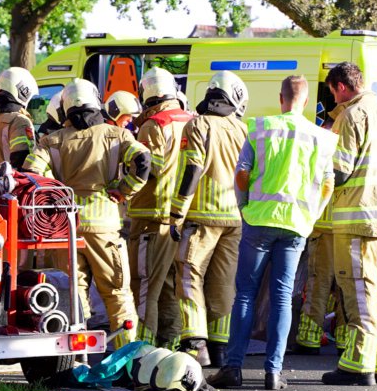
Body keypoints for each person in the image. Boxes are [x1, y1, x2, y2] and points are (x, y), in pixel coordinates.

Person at [210, 74, 335, 390]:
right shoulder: (320, 137)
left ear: (281, 99)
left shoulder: (260, 128)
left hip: (259, 222)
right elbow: (328, 184)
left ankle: (233, 368)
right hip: (296, 225)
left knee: (246, 294)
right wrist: (311, 216)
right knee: (281, 296)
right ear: (305, 102)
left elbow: (241, 174)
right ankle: (273, 373)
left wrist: (245, 206)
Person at [24, 79, 150, 348]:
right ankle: (125, 359)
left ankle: (78, 356)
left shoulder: (51, 140)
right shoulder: (117, 134)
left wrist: (55, 199)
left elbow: (31, 176)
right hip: (104, 226)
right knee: (117, 293)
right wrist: (123, 190)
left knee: (73, 294)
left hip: (66, 227)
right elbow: (143, 162)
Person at [321, 61, 377, 386]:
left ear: (341, 87)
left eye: (332, 93)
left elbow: (339, 172)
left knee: (358, 292)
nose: (334, 100)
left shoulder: (350, 116)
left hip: (358, 221)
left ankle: (357, 364)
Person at [171, 71, 250, 365]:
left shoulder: (198, 124)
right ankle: (219, 349)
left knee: (189, 275)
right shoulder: (243, 129)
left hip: (202, 217)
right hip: (235, 219)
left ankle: (194, 344)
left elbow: (192, 169)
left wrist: (177, 213)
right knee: (224, 284)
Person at [126, 67, 193, 345]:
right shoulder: (191, 120)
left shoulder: (154, 125)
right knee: (167, 287)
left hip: (152, 216)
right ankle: (170, 344)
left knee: (143, 288)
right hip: (181, 216)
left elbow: (150, 168)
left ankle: (142, 348)